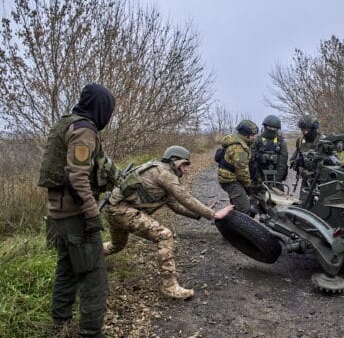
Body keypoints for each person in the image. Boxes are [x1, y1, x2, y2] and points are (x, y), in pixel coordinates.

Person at [103, 146, 234, 299]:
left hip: (114, 210)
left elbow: (175, 205)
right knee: (164, 236)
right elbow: (185, 198)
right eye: (184, 164)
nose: (186, 170)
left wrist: (199, 213)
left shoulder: (159, 171)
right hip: (122, 211)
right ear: (173, 161)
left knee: (116, 245)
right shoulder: (166, 173)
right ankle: (170, 287)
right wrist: (213, 214)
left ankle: (88, 259)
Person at [38, 83, 115, 338]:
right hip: (75, 214)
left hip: (58, 212)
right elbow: (78, 178)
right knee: (94, 276)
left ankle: (60, 322)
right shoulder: (84, 130)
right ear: (100, 108)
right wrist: (93, 215)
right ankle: (90, 333)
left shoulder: (67, 122)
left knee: (67, 267)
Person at [217, 120, 259, 214]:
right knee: (245, 209)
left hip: (229, 178)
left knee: (237, 205)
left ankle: (230, 224)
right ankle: (237, 227)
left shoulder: (236, 141)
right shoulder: (239, 148)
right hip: (230, 181)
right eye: (253, 135)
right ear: (246, 135)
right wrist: (249, 186)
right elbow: (242, 172)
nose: (255, 137)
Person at [250, 115, 288, 188]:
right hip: (259, 177)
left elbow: (282, 164)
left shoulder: (281, 143)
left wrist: (276, 181)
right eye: (269, 127)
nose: (272, 129)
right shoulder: (257, 141)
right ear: (265, 127)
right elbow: (252, 161)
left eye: (274, 128)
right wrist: (258, 178)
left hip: (276, 179)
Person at [289, 114, 325, 192]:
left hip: (321, 179)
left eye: (307, 130)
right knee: (303, 201)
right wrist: (298, 166)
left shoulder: (323, 141)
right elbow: (293, 159)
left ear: (313, 129)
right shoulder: (300, 141)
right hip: (306, 178)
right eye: (303, 130)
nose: (305, 132)